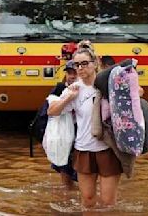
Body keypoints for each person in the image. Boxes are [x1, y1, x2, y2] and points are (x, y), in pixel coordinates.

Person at [48, 48, 123, 208]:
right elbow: (52, 111)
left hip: (108, 148)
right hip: (84, 149)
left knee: (108, 202)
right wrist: (68, 98)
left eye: (84, 63)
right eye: (77, 65)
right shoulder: (74, 89)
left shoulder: (108, 84)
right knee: (87, 201)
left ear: (95, 63)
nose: (80, 68)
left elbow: (137, 93)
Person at [48, 60, 78, 189]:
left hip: (82, 137)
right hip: (63, 138)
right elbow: (51, 112)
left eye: (75, 73)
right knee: (66, 177)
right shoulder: (60, 89)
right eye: (69, 73)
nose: (72, 76)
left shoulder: (91, 89)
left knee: (85, 176)